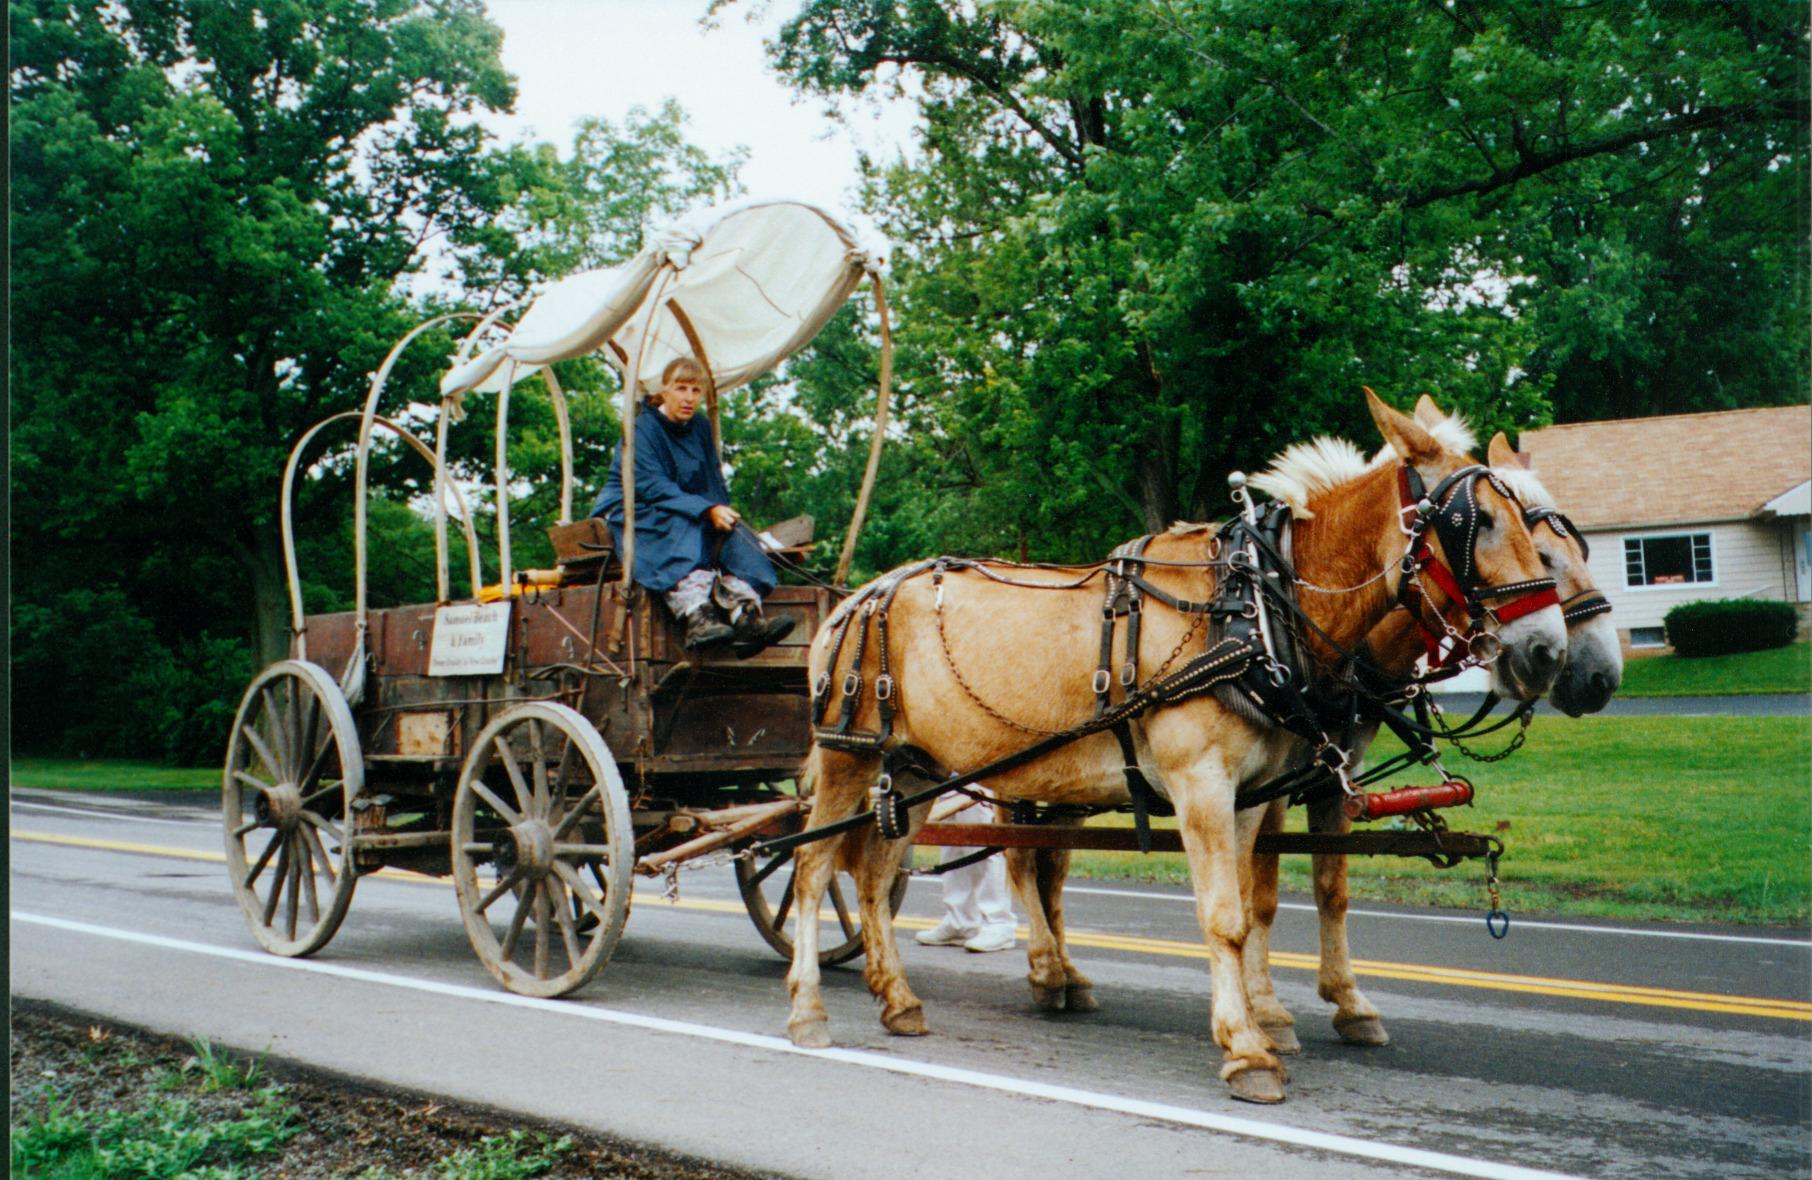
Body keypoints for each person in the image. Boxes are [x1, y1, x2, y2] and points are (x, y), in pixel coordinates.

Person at [590, 356, 793, 655]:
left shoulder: (699, 427)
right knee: (682, 527)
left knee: (738, 537)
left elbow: (711, 478)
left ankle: (745, 617)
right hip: (637, 504)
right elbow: (649, 484)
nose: (688, 398)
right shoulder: (642, 428)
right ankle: (696, 613)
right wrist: (703, 510)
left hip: (683, 504)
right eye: (681, 388)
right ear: (664, 391)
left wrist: (720, 513)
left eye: (696, 391)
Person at [914, 796, 1017, 953]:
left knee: (985, 846)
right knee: (952, 849)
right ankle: (961, 923)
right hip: (951, 779)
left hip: (981, 781)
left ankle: (999, 925)